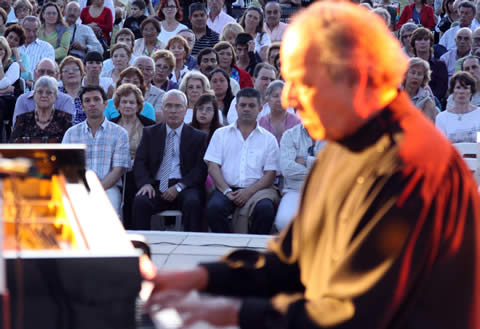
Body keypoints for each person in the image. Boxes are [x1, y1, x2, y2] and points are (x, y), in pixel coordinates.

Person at [147, 3, 480, 329]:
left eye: (304, 82)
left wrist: (231, 315)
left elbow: (359, 312)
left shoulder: (412, 163)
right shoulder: (342, 147)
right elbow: (294, 258)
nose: (291, 98)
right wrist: (199, 277)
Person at [204, 88, 279, 234]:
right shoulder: (221, 134)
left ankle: (253, 251)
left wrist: (248, 192)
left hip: (257, 191)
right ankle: (227, 247)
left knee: (266, 210)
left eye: (251, 106)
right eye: (243, 105)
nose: (246, 109)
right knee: (214, 208)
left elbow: (270, 174)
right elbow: (213, 166)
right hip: (225, 188)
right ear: (236, 107)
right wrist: (226, 190)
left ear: (260, 109)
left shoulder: (269, 139)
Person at [132, 89, 208, 232]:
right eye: (169, 106)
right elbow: (140, 162)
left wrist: (179, 187)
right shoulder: (150, 133)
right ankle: (141, 246)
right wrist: (145, 183)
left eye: (178, 106)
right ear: (162, 109)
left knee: (193, 202)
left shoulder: (198, 137)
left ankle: (191, 246)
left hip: (184, 185)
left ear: (186, 110)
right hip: (156, 184)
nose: (173, 110)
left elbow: (200, 170)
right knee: (141, 201)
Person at [63, 85, 130, 215]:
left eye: (96, 99)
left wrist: (96, 189)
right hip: (78, 187)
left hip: (108, 188)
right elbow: (66, 168)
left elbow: (118, 170)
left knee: (109, 210)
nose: (92, 104)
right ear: (82, 107)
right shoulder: (71, 134)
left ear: (105, 104)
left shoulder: (119, 133)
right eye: (87, 101)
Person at [110, 83, 156, 228]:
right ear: (117, 104)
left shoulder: (150, 125)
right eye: (124, 102)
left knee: (132, 190)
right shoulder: (110, 125)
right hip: (115, 172)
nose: (127, 105)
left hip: (141, 173)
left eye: (132, 102)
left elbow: (153, 154)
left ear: (138, 105)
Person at [275, 123, 323, 232]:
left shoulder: (335, 135)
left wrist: (306, 161)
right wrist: (321, 170)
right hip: (295, 190)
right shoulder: (290, 135)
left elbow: (334, 168)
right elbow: (287, 169)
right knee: (283, 220)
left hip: (325, 189)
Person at [12, 58, 74, 126]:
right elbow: (17, 128)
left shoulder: (66, 100)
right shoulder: (23, 100)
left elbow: (67, 129)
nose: (45, 75)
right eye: (41, 72)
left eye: (50, 73)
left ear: (57, 76)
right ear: (35, 74)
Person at [11, 75, 72, 143]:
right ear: (34, 95)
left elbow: (69, 146)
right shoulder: (22, 119)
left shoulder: (65, 119)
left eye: (49, 92)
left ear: (55, 96)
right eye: (40, 92)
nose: (44, 95)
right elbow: (13, 145)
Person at [436, 71, 480, 142]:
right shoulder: (441, 118)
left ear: (471, 92)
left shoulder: (478, 114)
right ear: (453, 91)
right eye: (458, 87)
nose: (461, 92)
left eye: (465, 88)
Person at [411, 27, 449, 102]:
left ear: (430, 43)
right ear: (414, 43)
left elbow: (441, 90)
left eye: (426, 39)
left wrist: (425, 99)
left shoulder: (440, 65)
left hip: (434, 102)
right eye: (419, 39)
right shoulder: (408, 65)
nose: (423, 42)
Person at [403, 57, 438, 121]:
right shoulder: (394, 94)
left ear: (424, 78)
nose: (415, 77)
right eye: (413, 72)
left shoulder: (427, 101)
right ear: (405, 74)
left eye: (419, 74)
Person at [134, 55, 165, 121]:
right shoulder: (121, 91)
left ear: (154, 73)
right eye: (140, 68)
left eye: (148, 69)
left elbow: (157, 119)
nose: (143, 72)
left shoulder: (160, 94)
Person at [0, 35, 19, 139]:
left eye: (0, 49)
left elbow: (4, 83)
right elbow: (5, 87)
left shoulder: (14, 65)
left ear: (6, 50)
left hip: (8, 101)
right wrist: (5, 90)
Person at [59, 55, 86, 124]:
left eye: (75, 69)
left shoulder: (89, 93)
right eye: (66, 70)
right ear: (61, 76)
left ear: (82, 74)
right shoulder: (55, 94)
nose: (71, 72)